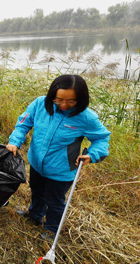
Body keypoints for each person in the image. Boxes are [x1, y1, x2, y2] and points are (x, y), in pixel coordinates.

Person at [6, 75, 110, 240]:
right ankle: (35, 215)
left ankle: (51, 229)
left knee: (54, 201)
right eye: (59, 99)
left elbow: (102, 139)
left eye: (70, 101)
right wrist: (15, 141)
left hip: (61, 170)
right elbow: (23, 123)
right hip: (36, 162)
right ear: (52, 94)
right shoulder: (40, 104)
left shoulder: (87, 117)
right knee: (37, 191)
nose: (63, 104)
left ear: (81, 99)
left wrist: (92, 155)